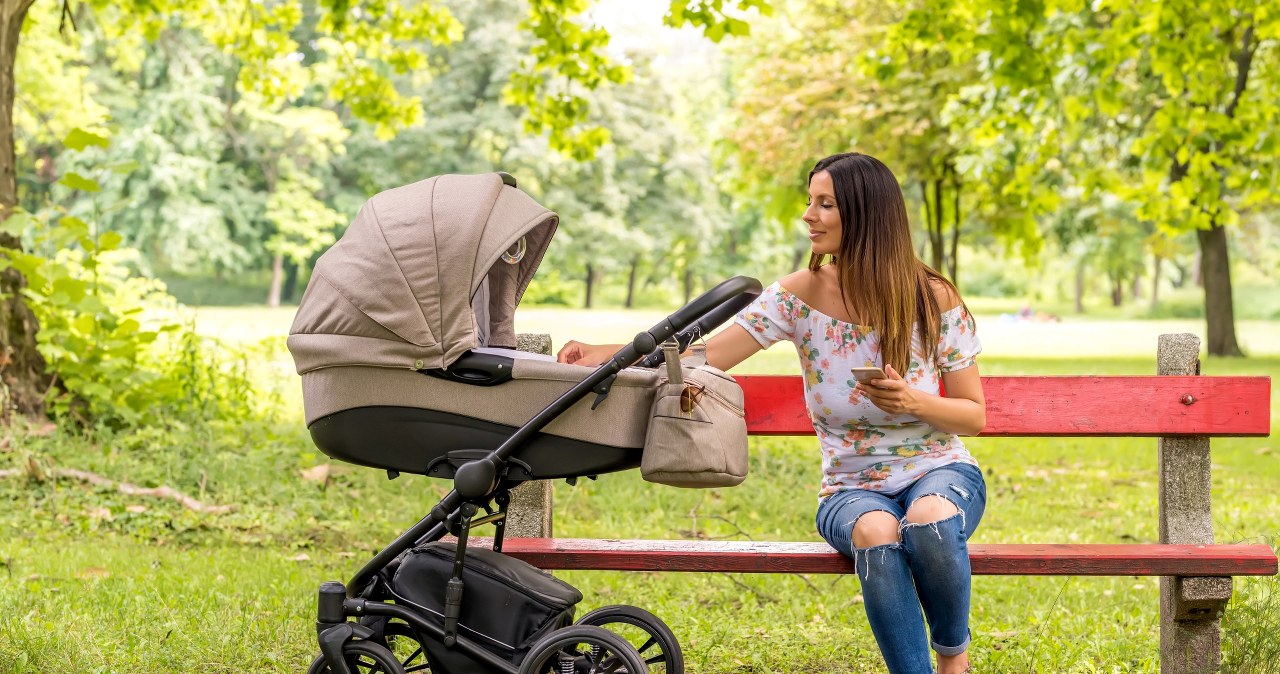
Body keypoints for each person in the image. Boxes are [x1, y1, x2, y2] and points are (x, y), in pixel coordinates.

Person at [557, 152, 987, 674]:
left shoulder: (932, 298)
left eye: (825, 204)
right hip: (850, 490)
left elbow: (972, 414)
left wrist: (912, 401)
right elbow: (707, 353)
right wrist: (612, 352)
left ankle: (953, 662)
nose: (809, 215)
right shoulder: (798, 296)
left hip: (939, 473)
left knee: (929, 521)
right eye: (811, 201)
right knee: (878, 533)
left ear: (867, 215)